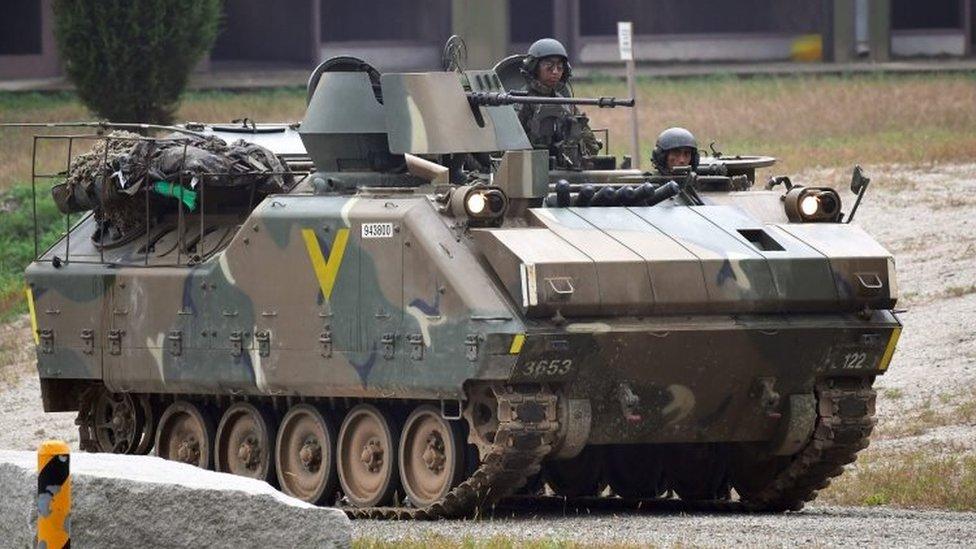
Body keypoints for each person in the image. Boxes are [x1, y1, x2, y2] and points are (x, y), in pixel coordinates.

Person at [517, 38, 601, 168]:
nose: (555, 72)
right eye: (549, 67)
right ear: (534, 68)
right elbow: (509, 148)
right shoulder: (520, 101)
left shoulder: (565, 103)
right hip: (529, 169)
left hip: (565, 169)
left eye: (560, 67)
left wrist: (575, 134)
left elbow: (592, 147)